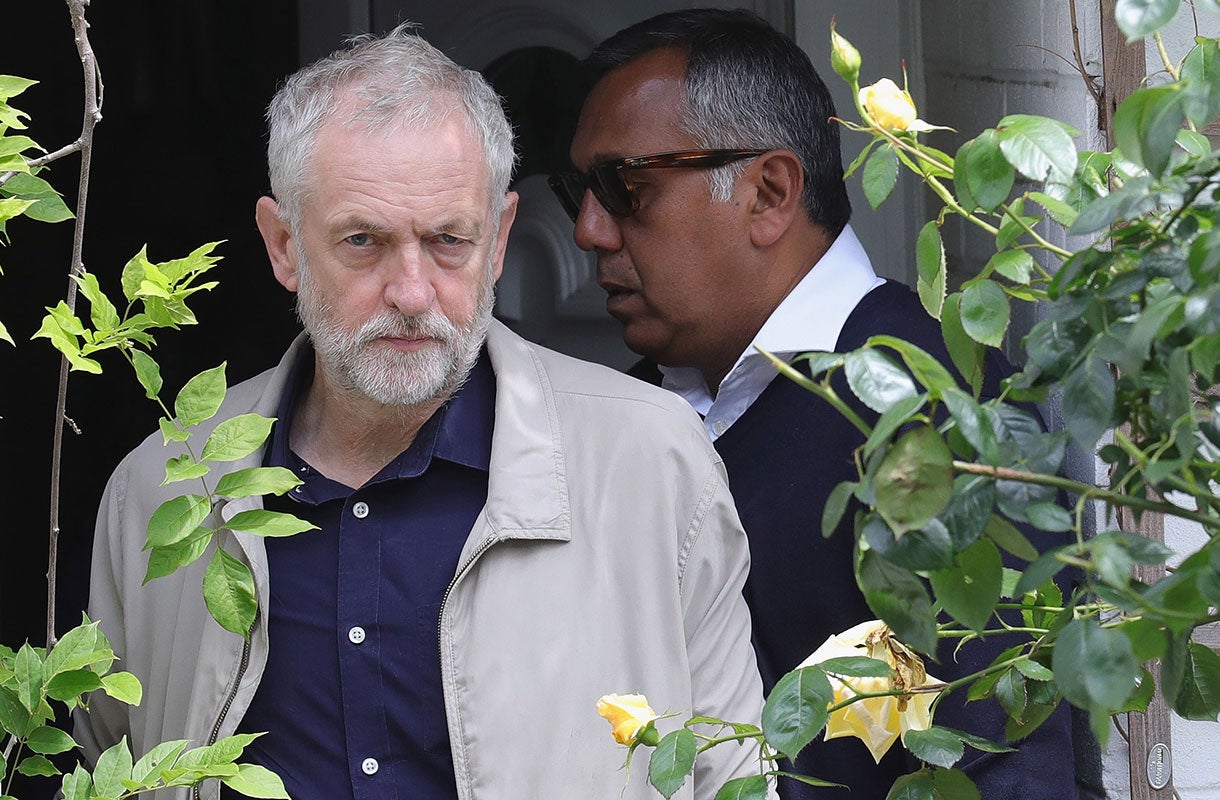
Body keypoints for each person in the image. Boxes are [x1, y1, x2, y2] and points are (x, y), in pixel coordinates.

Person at [74, 24, 769, 800]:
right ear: (283, 245)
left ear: (500, 240)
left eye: (447, 241)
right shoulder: (158, 492)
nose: (411, 293)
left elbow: (733, 778)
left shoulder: (652, 464)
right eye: (364, 241)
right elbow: (106, 774)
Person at [550, 8, 1081, 800]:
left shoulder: (937, 418)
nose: (590, 230)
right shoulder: (637, 408)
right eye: (576, 191)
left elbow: (1004, 764)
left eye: (626, 189)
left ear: (768, 192)